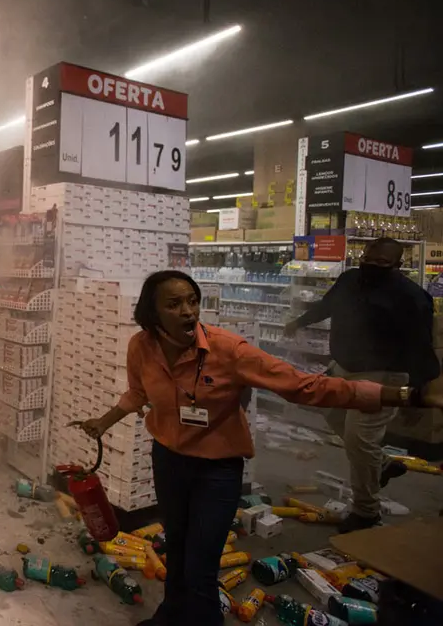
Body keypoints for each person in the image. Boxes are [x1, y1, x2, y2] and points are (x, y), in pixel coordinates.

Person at [75, 270, 441, 626]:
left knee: (201, 564)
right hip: (168, 461)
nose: (188, 311)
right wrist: (103, 422)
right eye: (174, 304)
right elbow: (138, 392)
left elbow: (305, 386)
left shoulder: (228, 350)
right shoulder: (141, 346)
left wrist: (408, 395)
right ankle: (170, 615)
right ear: (152, 313)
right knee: (178, 549)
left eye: (193, 301)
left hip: (216, 471)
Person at [284, 237, 440, 532]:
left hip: (383, 377)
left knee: (359, 439)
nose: (372, 265)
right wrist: (299, 322)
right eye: (368, 258)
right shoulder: (349, 280)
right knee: (333, 416)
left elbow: (421, 346)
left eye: (381, 263)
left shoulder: (411, 297)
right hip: (343, 368)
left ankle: (366, 511)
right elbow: (327, 306)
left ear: (398, 265)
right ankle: (381, 463)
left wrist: (417, 394)